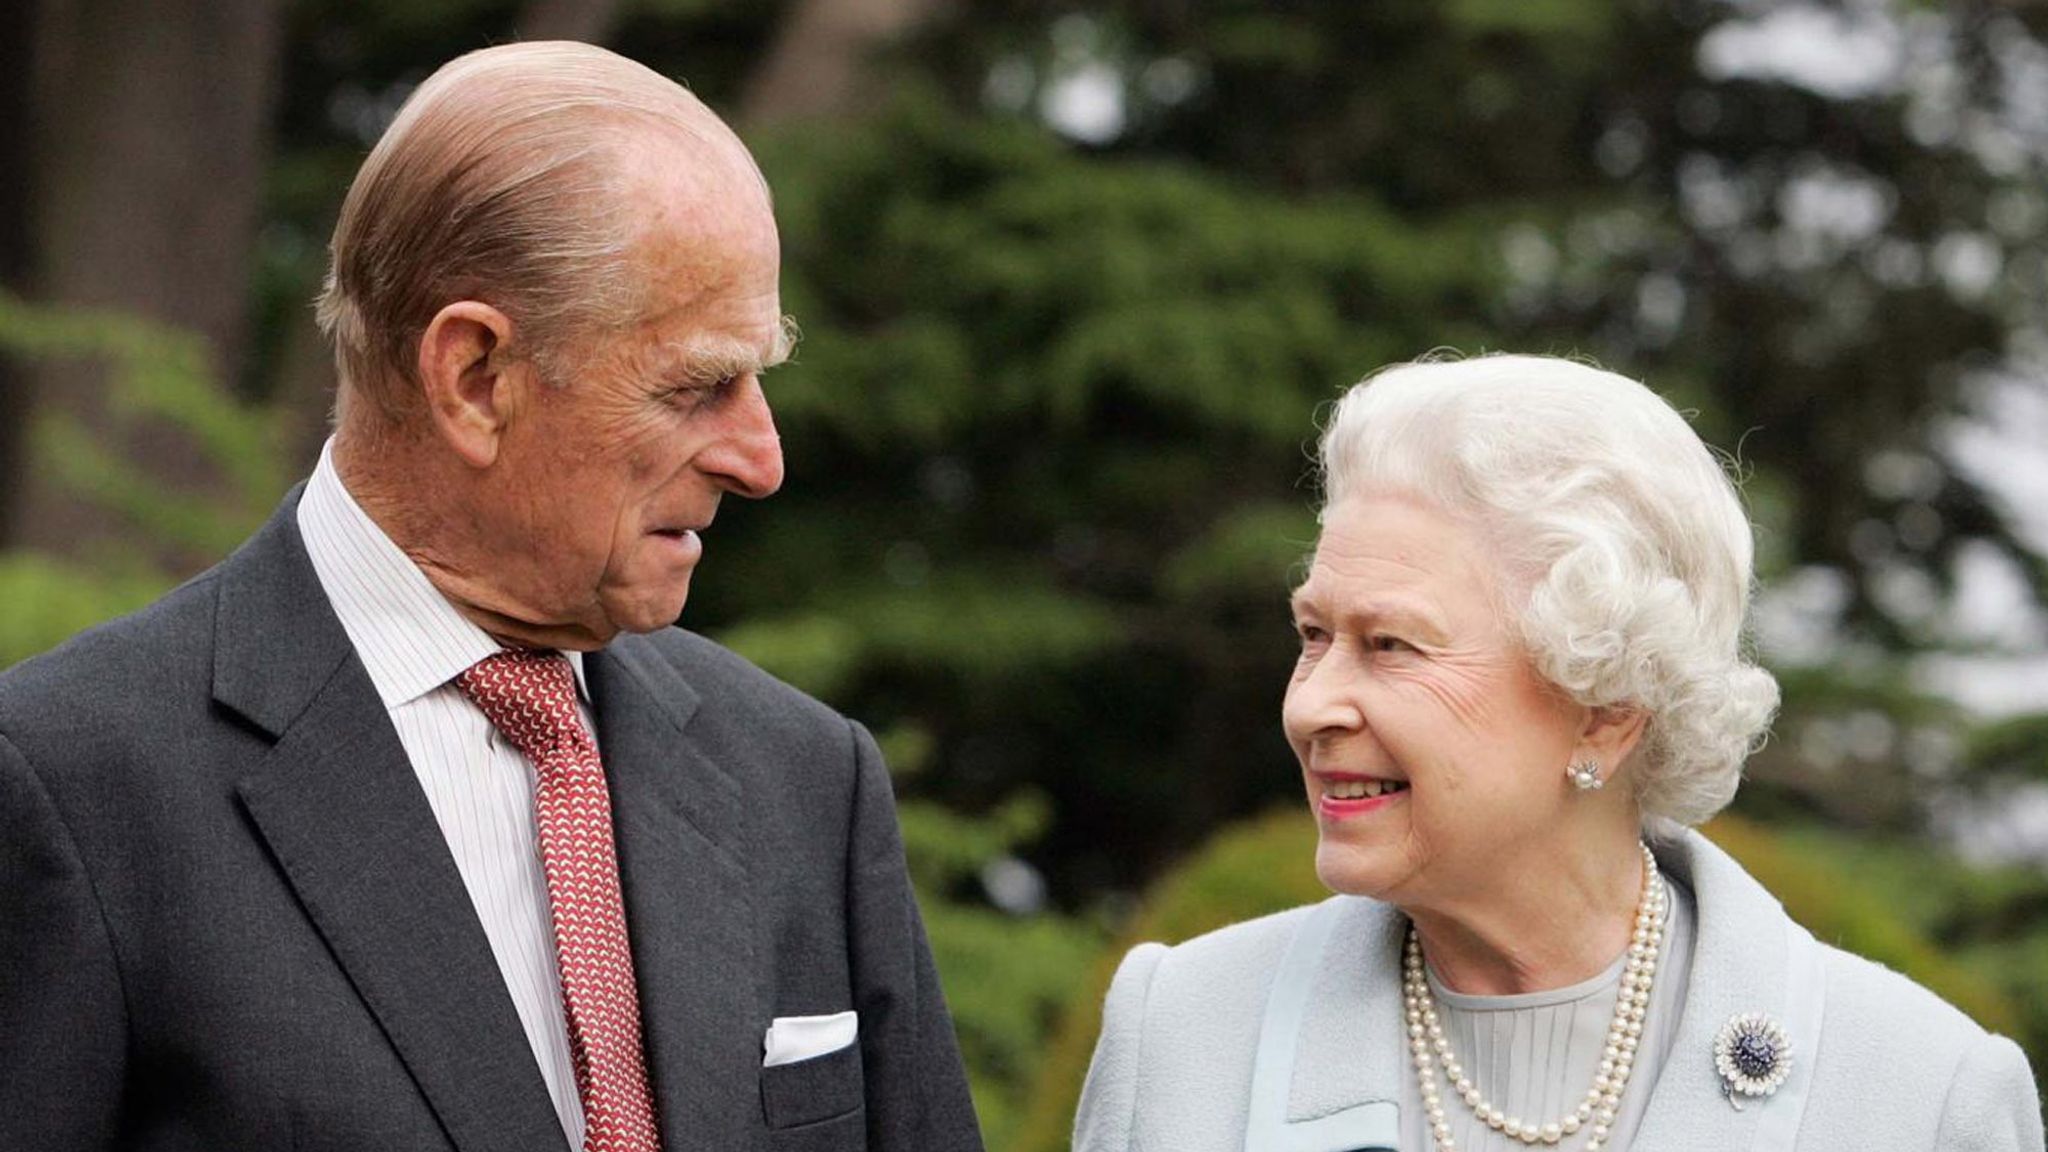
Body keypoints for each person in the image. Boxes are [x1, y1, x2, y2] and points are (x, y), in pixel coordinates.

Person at [0, 42, 982, 1152]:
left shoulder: (806, 780)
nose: (761, 459)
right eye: (699, 385)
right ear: (474, 378)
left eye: (760, 378)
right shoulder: (65, 787)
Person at [1074, 355, 2043, 1152]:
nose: (1311, 705)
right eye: (1311, 635)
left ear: (1604, 712)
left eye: (1390, 646)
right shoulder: (1180, 1034)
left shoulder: (1920, 1097)